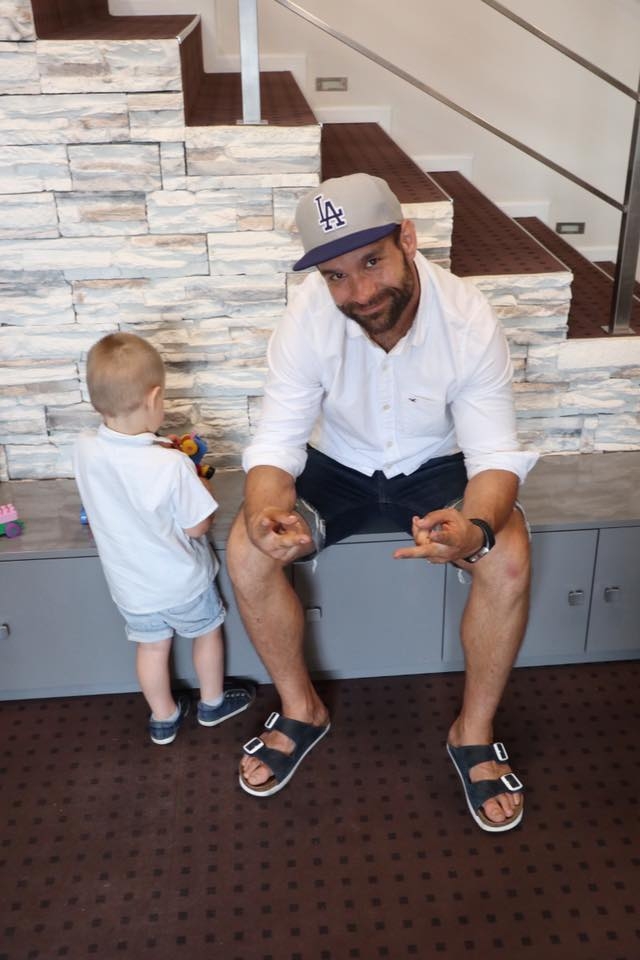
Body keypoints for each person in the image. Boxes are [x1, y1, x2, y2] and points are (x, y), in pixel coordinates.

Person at [227, 173, 538, 832]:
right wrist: (264, 514)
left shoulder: (468, 318)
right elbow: (276, 444)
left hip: (434, 468)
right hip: (337, 468)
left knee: (507, 555)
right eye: (337, 276)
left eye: (372, 262)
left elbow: (492, 457)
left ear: (408, 240)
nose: (360, 293)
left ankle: (472, 732)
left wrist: (475, 530)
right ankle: (302, 709)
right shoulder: (307, 318)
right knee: (246, 551)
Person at [73, 332, 255, 745]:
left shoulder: (83, 448)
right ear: (155, 398)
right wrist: (199, 486)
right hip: (182, 582)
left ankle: (163, 717)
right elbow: (197, 526)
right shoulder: (171, 466)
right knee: (206, 632)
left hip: (130, 587)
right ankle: (212, 703)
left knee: (152, 648)